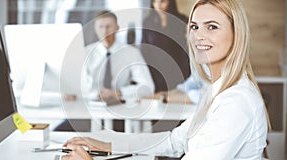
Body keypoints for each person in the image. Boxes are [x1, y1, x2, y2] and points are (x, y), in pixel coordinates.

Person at [62, 0, 269, 159]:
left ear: (237, 34)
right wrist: (109, 145)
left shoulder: (236, 102)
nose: (198, 36)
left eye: (212, 27)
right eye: (194, 27)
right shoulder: (217, 90)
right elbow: (173, 141)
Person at [82, 10, 154, 102]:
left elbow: (148, 88)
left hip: (121, 108)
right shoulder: (86, 52)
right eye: (100, 27)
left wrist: (119, 92)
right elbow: (78, 86)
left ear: (117, 27)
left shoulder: (131, 52)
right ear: (95, 29)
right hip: (91, 107)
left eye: (108, 27)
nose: (104, 31)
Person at [141, 0, 190, 92]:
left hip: (178, 69)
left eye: (162, 1)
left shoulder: (183, 20)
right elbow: (145, 49)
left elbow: (186, 49)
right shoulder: (147, 22)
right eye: (155, 1)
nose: (158, 5)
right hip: (156, 72)